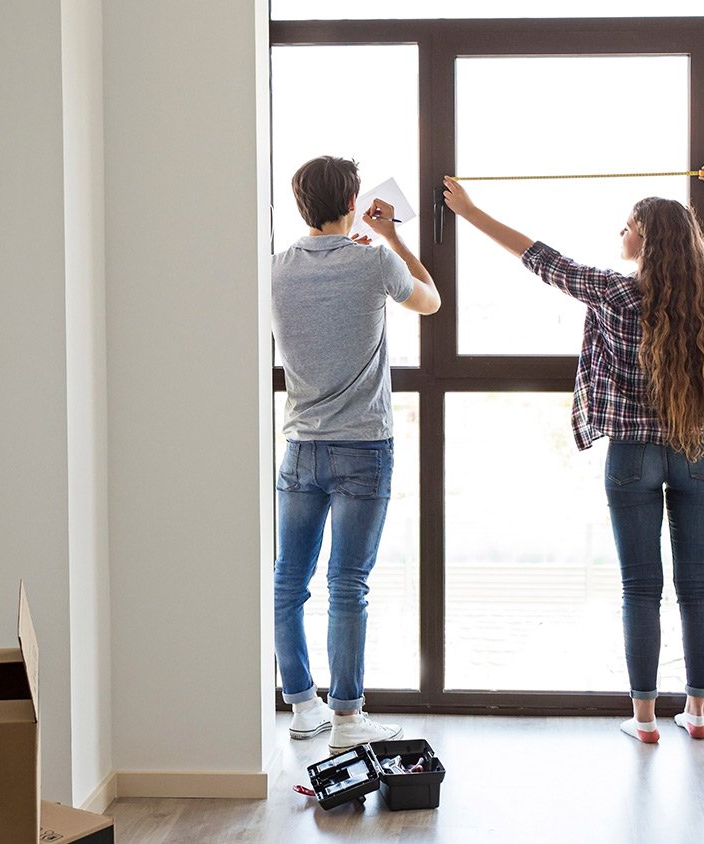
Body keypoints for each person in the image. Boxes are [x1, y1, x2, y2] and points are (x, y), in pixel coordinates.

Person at [442, 159, 704, 742]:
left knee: (640, 588)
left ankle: (646, 720)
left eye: (627, 226)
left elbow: (539, 257)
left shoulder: (612, 292)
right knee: (699, 585)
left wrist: (471, 213)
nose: (620, 235)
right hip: (699, 449)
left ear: (647, 239)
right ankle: (699, 714)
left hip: (632, 455)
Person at [273, 156, 441, 752]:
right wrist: (393, 237)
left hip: (299, 449)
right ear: (351, 202)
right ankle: (347, 718)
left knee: (288, 580)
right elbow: (431, 302)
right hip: (364, 448)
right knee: (348, 583)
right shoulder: (375, 261)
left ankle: (301, 705)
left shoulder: (276, 269)